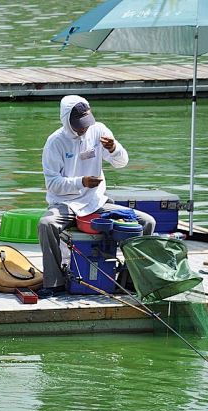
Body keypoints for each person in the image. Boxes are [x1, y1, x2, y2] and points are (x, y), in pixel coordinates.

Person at [38, 95, 156, 296]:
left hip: (96, 202)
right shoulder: (55, 142)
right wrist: (80, 182)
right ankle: (54, 281)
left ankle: (128, 279)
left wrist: (114, 148)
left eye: (85, 123)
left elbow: (121, 163)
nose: (83, 128)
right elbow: (52, 184)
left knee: (146, 222)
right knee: (46, 224)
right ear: (66, 120)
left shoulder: (99, 130)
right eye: (77, 125)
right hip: (65, 203)